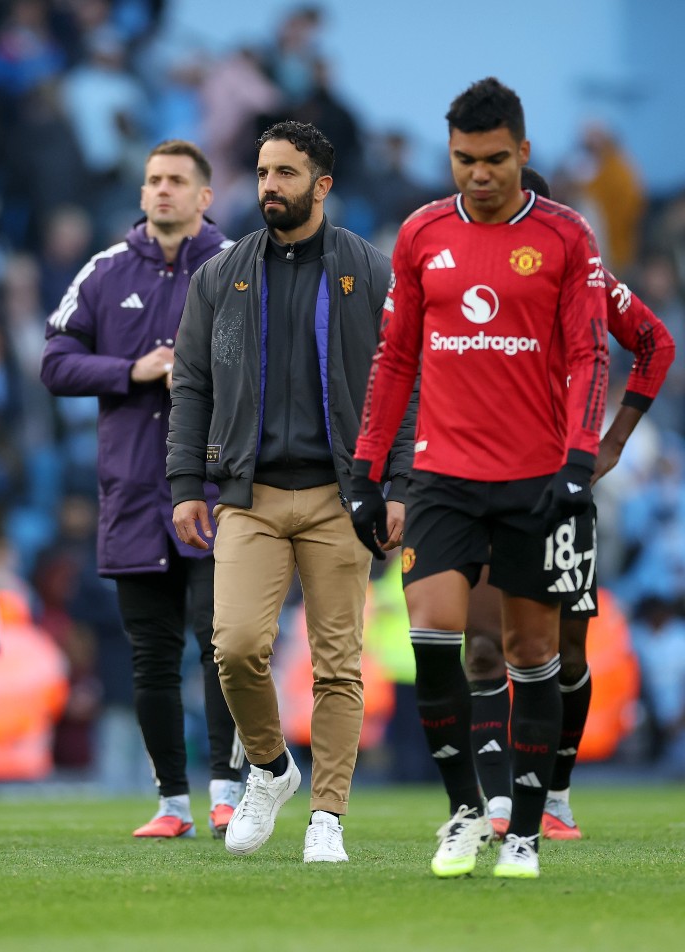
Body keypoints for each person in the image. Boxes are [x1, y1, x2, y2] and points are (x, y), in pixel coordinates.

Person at [350, 78, 610, 880]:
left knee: (532, 651)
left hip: (534, 480)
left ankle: (524, 834)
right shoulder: (422, 234)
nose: (480, 175)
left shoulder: (567, 237)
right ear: (451, 155)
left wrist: (577, 460)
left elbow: (590, 354)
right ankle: (465, 813)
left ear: (523, 153)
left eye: (496, 159)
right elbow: (394, 358)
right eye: (465, 160)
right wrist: (367, 469)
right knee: (435, 642)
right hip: (440, 478)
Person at [167, 120, 414, 863]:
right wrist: (186, 483)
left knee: (338, 665)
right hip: (249, 494)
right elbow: (191, 385)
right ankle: (272, 770)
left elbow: (404, 382)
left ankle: (327, 817)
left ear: (322, 184)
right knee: (235, 647)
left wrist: (397, 484)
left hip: (342, 498)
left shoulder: (368, 271)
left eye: (285, 173)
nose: (269, 185)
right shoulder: (221, 274)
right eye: (263, 171)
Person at [464, 167, 675, 840]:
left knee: (567, 654)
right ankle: (498, 799)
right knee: (486, 644)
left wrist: (610, 443)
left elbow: (654, 343)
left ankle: (555, 790)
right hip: (475, 484)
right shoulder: (455, 276)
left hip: (561, 487)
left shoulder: (581, 276)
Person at [41, 140, 244, 840]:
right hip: (132, 493)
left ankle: (227, 789)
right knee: (151, 656)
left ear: (204, 197)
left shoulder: (238, 268)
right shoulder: (103, 271)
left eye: (177, 181)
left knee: (224, 645)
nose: (162, 191)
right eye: (153, 180)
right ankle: (172, 804)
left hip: (217, 490)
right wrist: (131, 370)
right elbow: (54, 362)